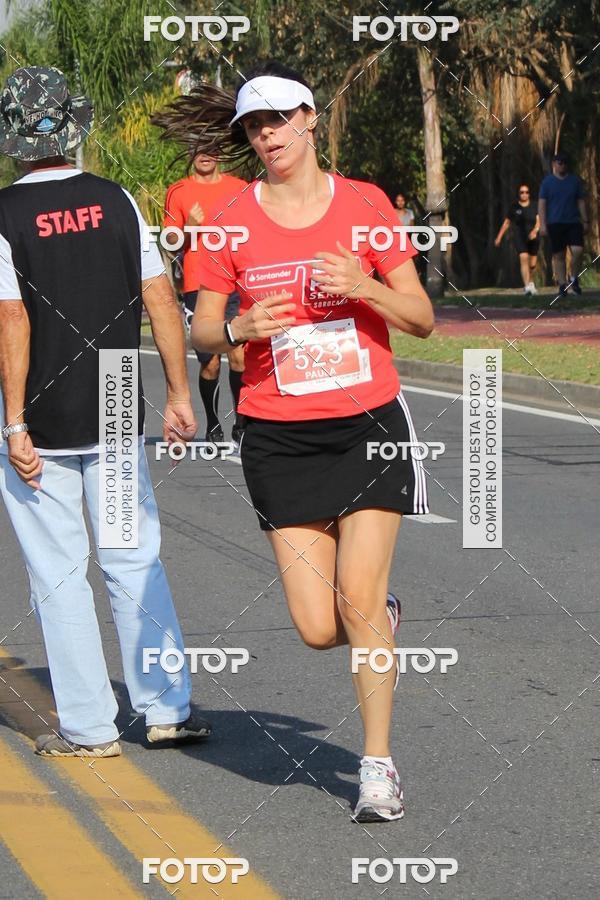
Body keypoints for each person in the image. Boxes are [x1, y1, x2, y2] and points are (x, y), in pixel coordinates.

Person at [164, 60, 434, 823]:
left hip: (368, 426)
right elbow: (204, 326)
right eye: (255, 124)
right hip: (278, 434)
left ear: (311, 118)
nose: (269, 134)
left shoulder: (365, 205)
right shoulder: (229, 222)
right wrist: (237, 329)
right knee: (320, 626)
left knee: (357, 606)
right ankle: (375, 614)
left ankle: (377, 769)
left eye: (280, 118)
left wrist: (366, 284)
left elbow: (420, 317)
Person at [0, 67, 210, 756]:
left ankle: (90, 728)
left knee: (61, 571)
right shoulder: (116, 200)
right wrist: (180, 393)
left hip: (42, 412)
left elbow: (13, 324)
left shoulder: (3, 214)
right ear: (73, 125)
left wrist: (13, 422)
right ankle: (167, 707)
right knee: (133, 558)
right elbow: (160, 297)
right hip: (117, 397)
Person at [159, 149, 248, 448]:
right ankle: (212, 422)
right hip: (199, 285)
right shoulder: (179, 191)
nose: (205, 155)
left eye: (212, 148)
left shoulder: (239, 189)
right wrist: (189, 229)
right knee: (210, 363)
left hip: (237, 282)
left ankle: (241, 421)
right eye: (198, 149)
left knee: (240, 356)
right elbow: (169, 242)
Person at [538, 153, 588, 295]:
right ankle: (562, 285)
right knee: (559, 255)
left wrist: (585, 220)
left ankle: (574, 278)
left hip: (573, 222)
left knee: (578, 251)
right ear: (554, 164)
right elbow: (542, 204)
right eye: (560, 162)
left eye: (565, 162)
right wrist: (542, 224)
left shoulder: (574, 181)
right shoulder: (547, 182)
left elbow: (581, 201)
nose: (562, 165)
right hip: (555, 223)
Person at [494, 184, 540, 295]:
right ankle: (527, 286)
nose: (524, 194)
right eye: (522, 192)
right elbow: (507, 223)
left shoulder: (535, 205)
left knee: (532, 264)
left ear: (529, 194)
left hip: (533, 236)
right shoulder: (514, 207)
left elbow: (539, 220)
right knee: (523, 257)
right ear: (519, 194)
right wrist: (499, 237)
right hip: (520, 236)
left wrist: (535, 231)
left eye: (526, 192)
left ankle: (531, 281)